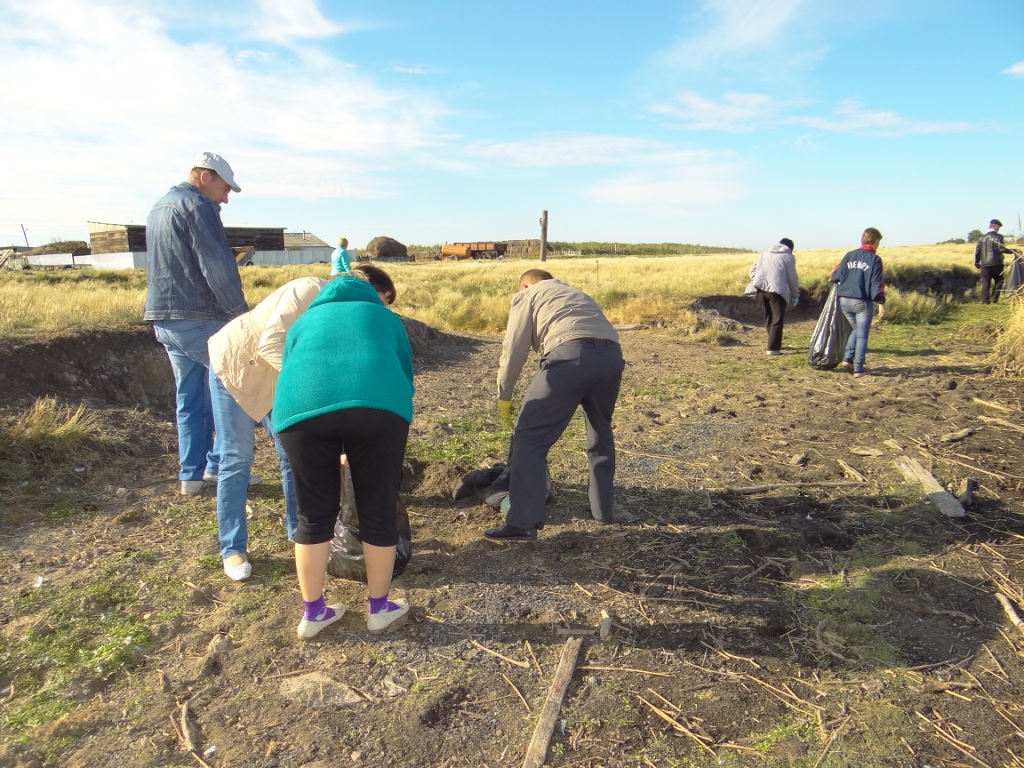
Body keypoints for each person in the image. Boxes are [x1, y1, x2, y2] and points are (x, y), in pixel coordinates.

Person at [273, 268, 412, 639]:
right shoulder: (385, 317)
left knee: (312, 517)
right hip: (378, 407)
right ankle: (380, 608)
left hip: (298, 413)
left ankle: (314, 612)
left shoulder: (305, 320)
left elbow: (289, 367)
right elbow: (404, 374)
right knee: (377, 512)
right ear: (372, 293)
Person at [486, 269, 626, 541]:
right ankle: (602, 511)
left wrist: (504, 394)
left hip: (569, 356)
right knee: (600, 432)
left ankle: (522, 523)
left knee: (529, 437)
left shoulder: (529, 295)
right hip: (611, 356)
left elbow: (514, 347)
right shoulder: (575, 293)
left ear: (525, 285)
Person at [207, 277, 327, 581]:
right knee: (237, 458)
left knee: (291, 454)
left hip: (276, 380)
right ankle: (232, 548)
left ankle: (298, 531)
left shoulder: (343, 318)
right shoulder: (309, 290)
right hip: (236, 367)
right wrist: (306, 386)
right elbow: (270, 344)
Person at [144, 151, 248, 496]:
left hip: (165, 318)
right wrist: (239, 314)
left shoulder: (159, 205)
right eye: (225, 188)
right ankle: (222, 468)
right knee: (237, 389)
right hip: (199, 317)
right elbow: (216, 265)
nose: (226, 197)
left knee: (190, 398)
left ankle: (192, 474)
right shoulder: (197, 207)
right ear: (205, 176)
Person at [831, 227, 887, 379]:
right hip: (861, 303)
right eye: (878, 242)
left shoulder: (849, 255)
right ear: (875, 241)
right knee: (862, 335)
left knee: (856, 330)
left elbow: (835, 276)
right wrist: (881, 302)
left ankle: (848, 359)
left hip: (844, 300)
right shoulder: (875, 259)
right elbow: (877, 284)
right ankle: (858, 369)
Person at [748, 238, 800, 355]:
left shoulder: (763, 254)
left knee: (768, 317)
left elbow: (752, 271)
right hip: (777, 291)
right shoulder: (788, 257)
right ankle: (773, 348)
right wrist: (795, 295)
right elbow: (793, 279)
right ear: (790, 248)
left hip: (760, 290)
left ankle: (772, 342)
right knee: (777, 319)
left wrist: (757, 280)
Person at [975, 219, 1015, 304]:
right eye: (999, 227)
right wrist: (1013, 251)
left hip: (985, 264)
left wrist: (977, 263)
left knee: (985, 282)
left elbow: (977, 252)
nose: (999, 229)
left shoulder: (981, 238)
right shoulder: (999, 237)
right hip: (997, 263)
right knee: (999, 280)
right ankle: (994, 298)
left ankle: (985, 301)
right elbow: (1001, 248)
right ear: (995, 226)